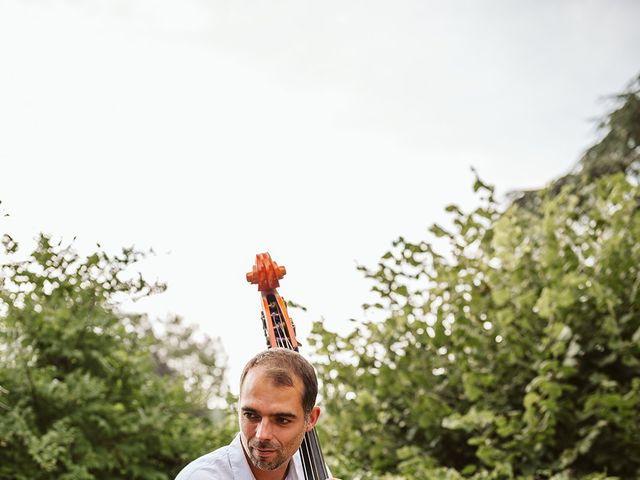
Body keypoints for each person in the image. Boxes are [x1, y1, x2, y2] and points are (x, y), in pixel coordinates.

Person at [175, 348, 339, 480]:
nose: (262, 435)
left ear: (310, 419)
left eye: (281, 420)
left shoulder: (312, 470)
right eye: (251, 415)